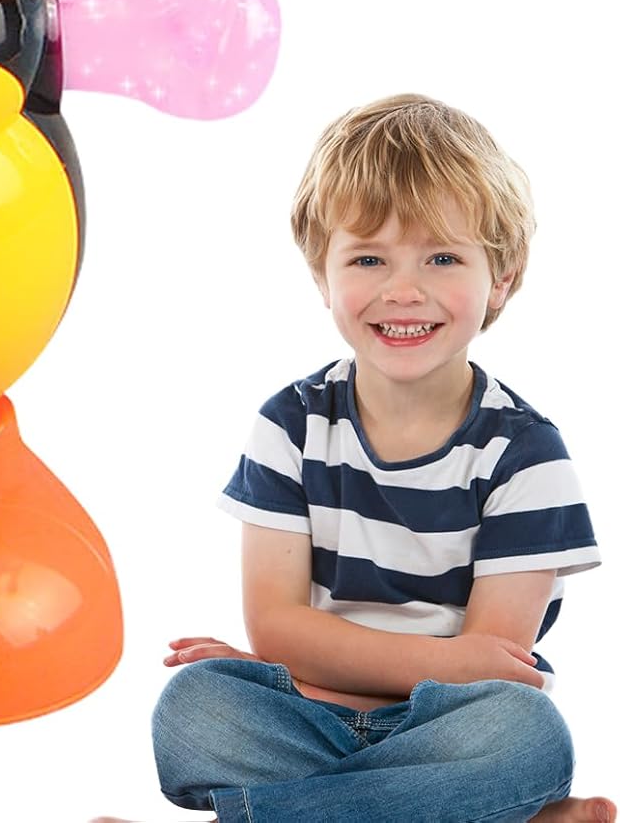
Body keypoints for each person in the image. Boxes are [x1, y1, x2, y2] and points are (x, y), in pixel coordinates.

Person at [151, 94, 614, 823]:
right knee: (194, 709)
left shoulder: (527, 455)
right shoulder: (291, 425)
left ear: (500, 276)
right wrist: (283, 672)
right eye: (369, 258)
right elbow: (277, 627)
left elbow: (490, 665)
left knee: (526, 734)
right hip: (310, 711)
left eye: (442, 257)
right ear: (322, 274)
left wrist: (313, 659)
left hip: (448, 728)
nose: (403, 290)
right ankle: (492, 814)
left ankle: (271, 814)